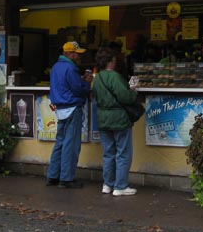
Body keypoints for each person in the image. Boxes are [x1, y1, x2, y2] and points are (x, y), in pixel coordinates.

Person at [93, 46, 139, 196]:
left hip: (102, 118)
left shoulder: (97, 78)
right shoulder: (115, 77)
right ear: (111, 61)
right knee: (123, 153)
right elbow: (126, 97)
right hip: (119, 119)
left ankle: (107, 184)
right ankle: (120, 186)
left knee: (108, 153)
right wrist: (134, 90)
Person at [46, 41, 93, 189]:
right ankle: (66, 178)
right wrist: (86, 82)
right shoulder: (70, 68)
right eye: (77, 54)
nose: (79, 57)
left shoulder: (55, 67)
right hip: (72, 108)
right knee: (71, 144)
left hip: (60, 109)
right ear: (70, 54)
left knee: (60, 142)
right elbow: (79, 89)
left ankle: (53, 175)